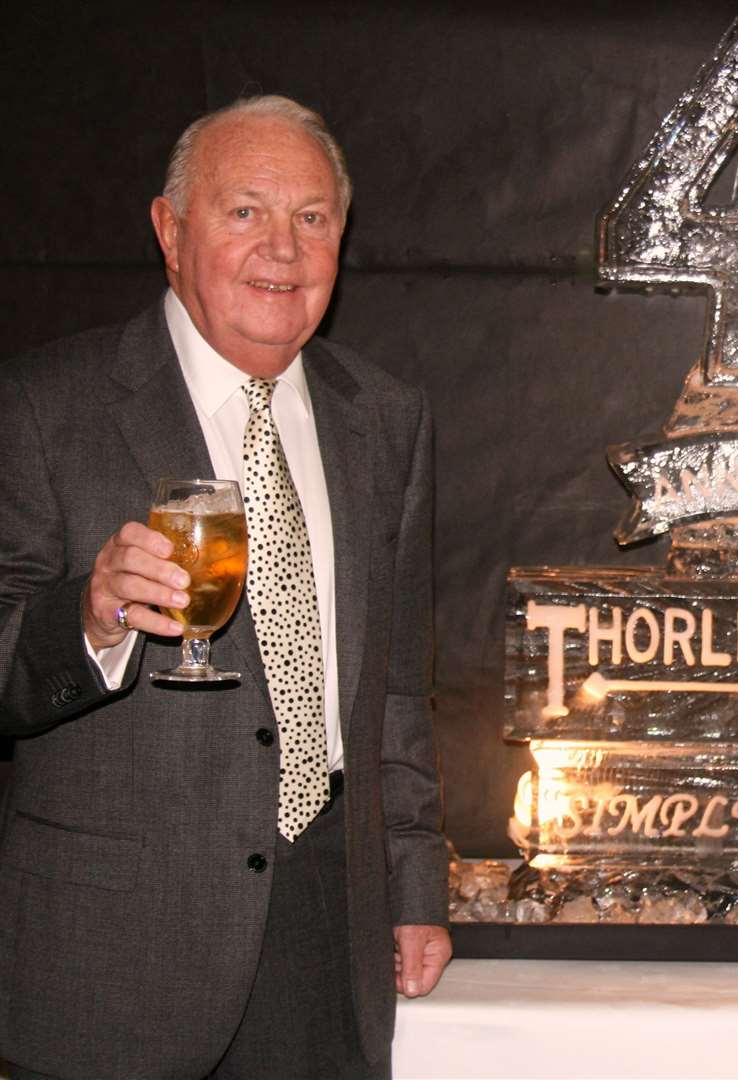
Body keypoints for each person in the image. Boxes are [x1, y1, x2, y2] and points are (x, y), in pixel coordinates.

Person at [0, 95, 451, 1078]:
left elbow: (397, 689)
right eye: (244, 212)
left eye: (313, 217)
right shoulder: (41, 407)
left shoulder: (383, 418)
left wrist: (411, 884)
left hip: (324, 927)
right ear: (169, 231)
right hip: (114, 950)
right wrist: (86, 617)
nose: (281, 249)